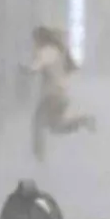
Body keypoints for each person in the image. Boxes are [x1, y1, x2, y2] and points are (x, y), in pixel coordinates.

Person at [24, 26, 95, 162]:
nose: (34, 43)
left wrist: (26, 70)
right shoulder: (56, 51)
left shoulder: (46, 51)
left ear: (40, 39)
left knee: (38, 122)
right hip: (60, 95)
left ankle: (39, 158)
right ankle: (82, 120)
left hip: (51, 95)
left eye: (35, 40)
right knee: (56, 126)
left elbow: (37, 67)